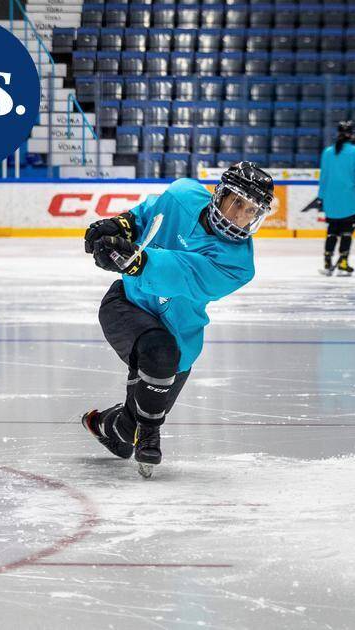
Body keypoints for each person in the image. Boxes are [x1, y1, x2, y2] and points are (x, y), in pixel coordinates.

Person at [79, 162, 273, 478]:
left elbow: (183, 272)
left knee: (130, 429)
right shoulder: (182, 194)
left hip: (179, 336)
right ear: (220, 195)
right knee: (158, 354)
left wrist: (135, 261)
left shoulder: (238, 266)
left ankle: (106, 425)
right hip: (127, 304)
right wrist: (120, 226)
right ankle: (150, 435)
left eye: (251, 211)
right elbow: (146, 216)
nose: (241, 215)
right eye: (237, 202)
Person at [315, 120, 355, 277]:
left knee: (332, 232)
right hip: (350, 200)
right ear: (351, 134)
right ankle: (343, 262)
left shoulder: (327, 152)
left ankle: (327, 262)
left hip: (331, 200)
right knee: (347, 232)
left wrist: (320, 198)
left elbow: (324, 178)